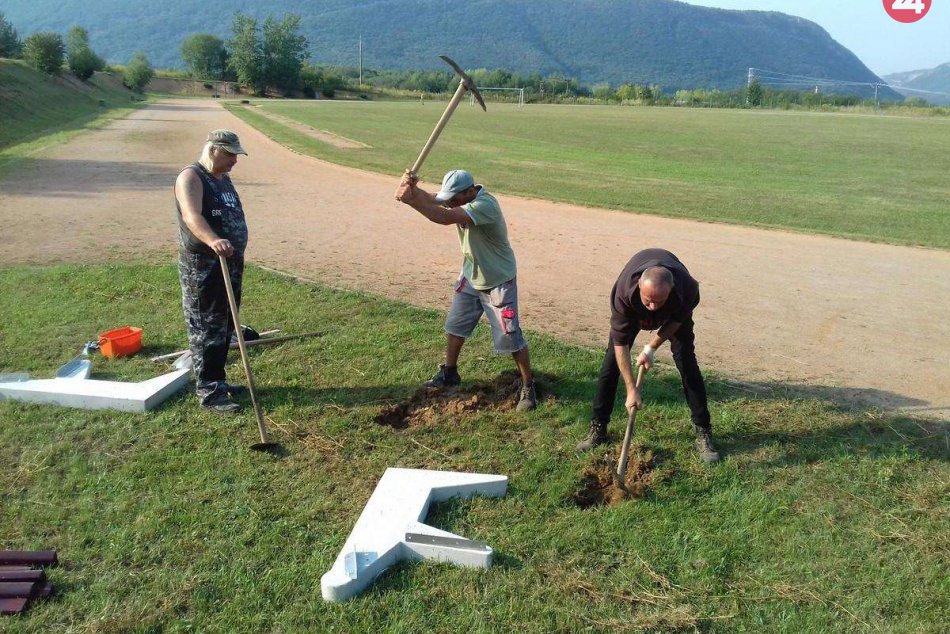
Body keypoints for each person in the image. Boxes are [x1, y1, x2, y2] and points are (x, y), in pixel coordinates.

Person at [395, 169, 537, 411]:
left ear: (470, 192)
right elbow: (434, 200)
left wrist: (411, 203)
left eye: (454, 198)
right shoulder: (461, 196)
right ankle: (449, 372)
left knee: (510, 336)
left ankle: (528, 386)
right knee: (455, 326)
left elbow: (442, 216)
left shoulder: (485, 205)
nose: (449, 202)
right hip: (471, 274)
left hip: (498, 280)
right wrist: (412, 190)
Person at [577, 248, 720, 464]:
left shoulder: (687, 289)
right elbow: (620, 343)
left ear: (671, 290)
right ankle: (598, 427)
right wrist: (631, 390)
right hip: (633, 312)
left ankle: (703, 431)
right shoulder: (624, 293)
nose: (652, 307)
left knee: (687, 363)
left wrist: (651, 348)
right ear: (639, 288)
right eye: (648, 301)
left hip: (673, 315)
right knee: (610, 366)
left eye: (658, 301)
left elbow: (676, 322)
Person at [174, 129, 249, 414]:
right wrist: (213, 240)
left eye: (236, 154)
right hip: (204, 265)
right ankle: (209, 391)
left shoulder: (224, 180)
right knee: (206, 326)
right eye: (230, 154)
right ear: (213, 150)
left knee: (226, 324)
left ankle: (219, 381)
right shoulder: (191, 177)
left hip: (229, 263)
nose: (234, 160)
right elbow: (192, 216)